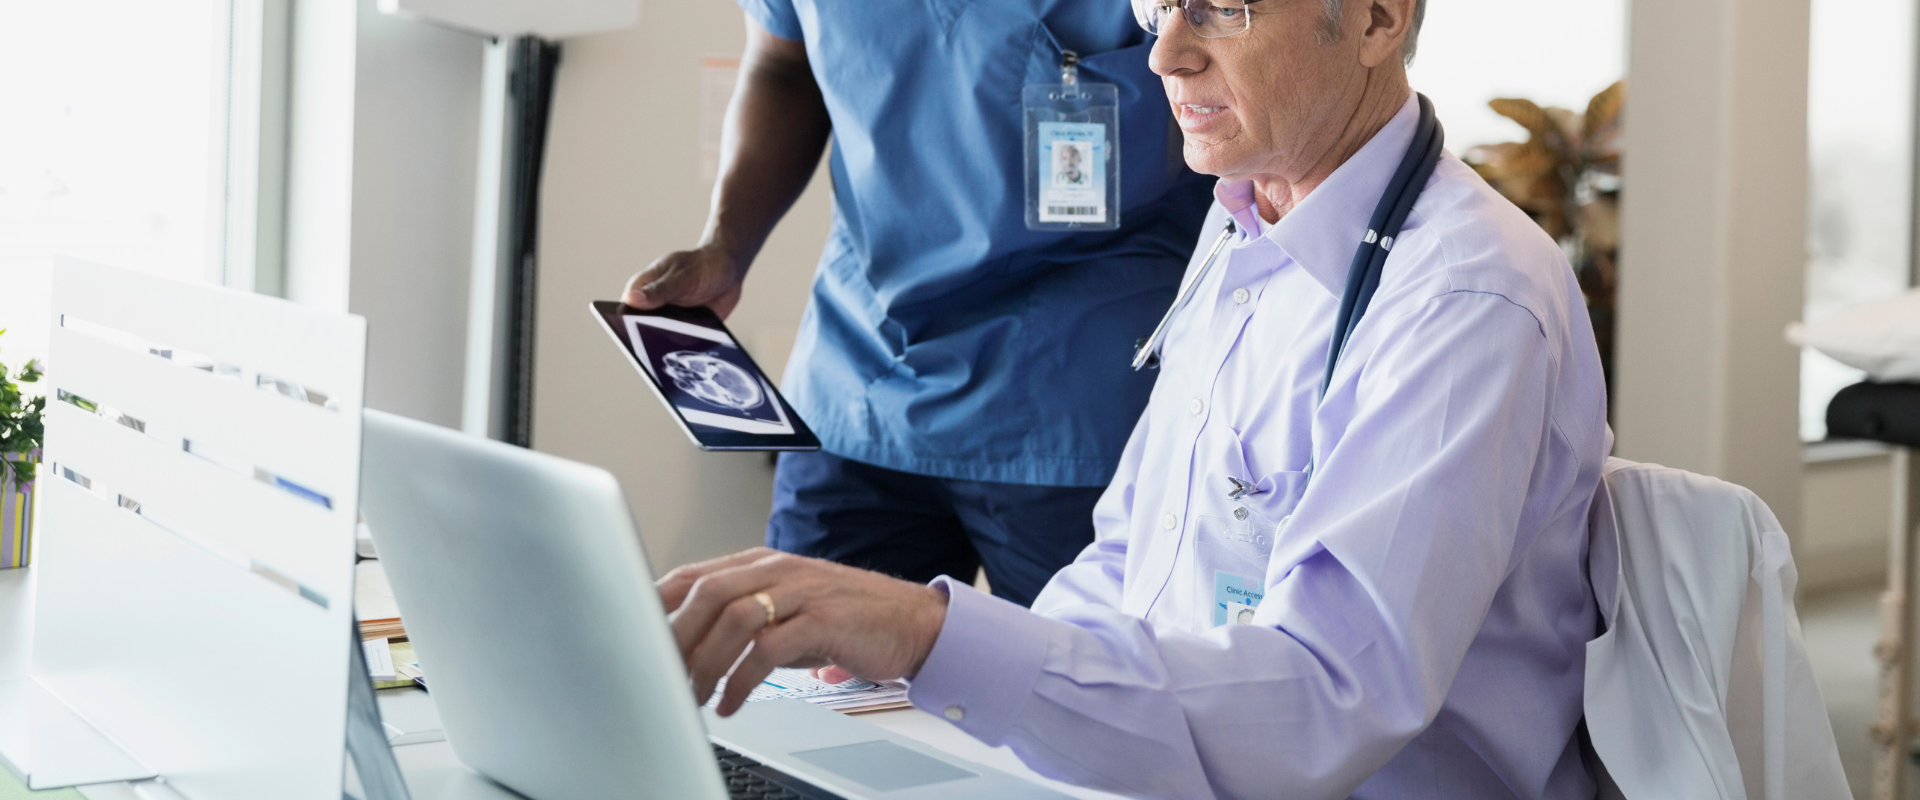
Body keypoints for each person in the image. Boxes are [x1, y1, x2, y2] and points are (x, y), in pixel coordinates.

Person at [659, 0, 1612, 796]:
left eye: (1220, 8)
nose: (1163, 52)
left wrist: (927, 633)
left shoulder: (1462, 299)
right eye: (1156, 5)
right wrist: (952, 696)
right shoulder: (1248, 225)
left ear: (1375, 17)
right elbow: (1128, 567)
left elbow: (1330, 695)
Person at [622, 0, 1214, 606]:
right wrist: (725, 244)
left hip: (1081, 394)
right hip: (862, 378)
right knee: (812, 681)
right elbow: (782, 64)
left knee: (1082, 683)